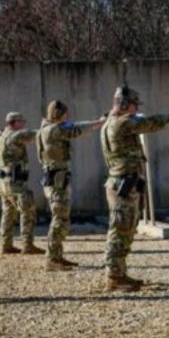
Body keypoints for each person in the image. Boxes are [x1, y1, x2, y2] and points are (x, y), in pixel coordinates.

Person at [100, 86, 169, 292]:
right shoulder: (122, 123)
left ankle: (119, 273)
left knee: (125, 230)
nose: (135, 109)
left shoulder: (111, 121)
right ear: (125, 105)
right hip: (122, 183)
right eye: (133, 105)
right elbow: (148, 123)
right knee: (119, 231)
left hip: (124, 182)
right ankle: (114, 276)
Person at [37, 100, 105, 271]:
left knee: (62, 218)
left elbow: (71, 127)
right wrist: (98, 122)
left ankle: (57, 256)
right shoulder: (54, 129)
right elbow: (76, 129)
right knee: (59, 219)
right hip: (56, 180)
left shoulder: (47, 128)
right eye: (65, 114)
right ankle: (52, 259)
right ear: (60, 114)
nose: (68, 117)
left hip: (57, 178)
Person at [0, 111, 44, 255]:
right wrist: (49, 126)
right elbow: (39, 134)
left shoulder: (2, 136)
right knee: (27, 210)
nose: (24, 124)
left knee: (8, 213)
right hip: (15, 181)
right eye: (21, 121)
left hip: (4, 181)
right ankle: (27, 245)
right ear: (15, 123)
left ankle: (6, 244)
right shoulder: (15, 135)